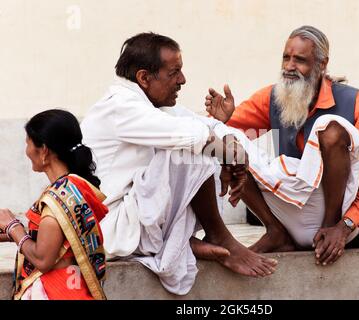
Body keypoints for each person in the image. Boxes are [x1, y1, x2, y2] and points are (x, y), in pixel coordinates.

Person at [80, 32, 277, 295]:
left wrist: (229, 146)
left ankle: (182, 242)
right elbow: (191, 136)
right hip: (111, 228)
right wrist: (229, 155)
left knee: (198, 146)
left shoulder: (150, 104)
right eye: (174, 72)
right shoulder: (120, 106)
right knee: (188, 152)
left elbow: (206, 126)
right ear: (144, 77)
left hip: (137, 219)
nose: (182, 80)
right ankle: (217, 235)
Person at [205, 25, 359, 266]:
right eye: (286, 58)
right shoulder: (273, 97)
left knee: (331, 129)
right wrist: (224, 121)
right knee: (225, 141)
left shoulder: (357, 102)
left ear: (321, 65)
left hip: (337, 219)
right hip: (290, 213)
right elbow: (219, 137)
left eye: (300, 60)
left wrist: (343, 227)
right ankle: (275, 232)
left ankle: (329, 225)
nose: (290, 67)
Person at [0, 109, 108, 300]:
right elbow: (58, 242)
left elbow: (43, 259)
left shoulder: (56, 201)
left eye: (28, 144)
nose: (26, 151)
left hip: (56, 292)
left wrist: (13, 226)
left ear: (43, 150)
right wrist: (13, 234)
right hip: (74, 288)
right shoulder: (75, 189)